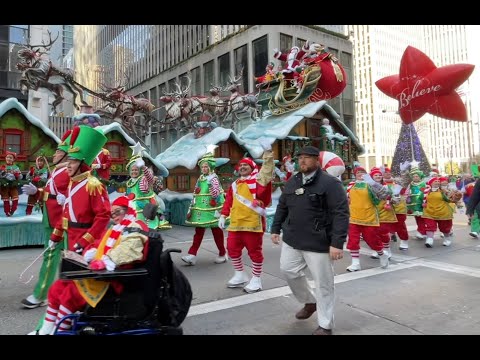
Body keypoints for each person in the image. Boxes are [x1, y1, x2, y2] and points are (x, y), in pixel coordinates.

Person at [29, 194, 149, 335]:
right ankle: (46, 329)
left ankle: (59, 331)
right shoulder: (114, 229)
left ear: (128, 210)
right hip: (102, 275)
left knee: (71, 293)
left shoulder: (134, 227)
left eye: (118, 212)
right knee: (58, 287)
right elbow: (99, 244)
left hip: (115, 279)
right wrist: (90, 253)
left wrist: (106, 261)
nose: (114, 216)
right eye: (112, 213)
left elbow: (129, 250)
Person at [270, 145, 349, 335]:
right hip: (292, 238)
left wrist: (337, 243)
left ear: (316, 161)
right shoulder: (293, 181)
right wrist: (275, 228)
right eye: (300, 158)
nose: (302, 161)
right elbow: (282, 206)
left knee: (323, 283)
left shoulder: (330, 184)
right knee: (288, 271)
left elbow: (341, 214)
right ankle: (310, 301)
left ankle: (325, 325)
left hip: (318, 242)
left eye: (307, 158)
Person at [20, 130, 72, 310]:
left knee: (54, 257)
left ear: (66, 155)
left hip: (60, 222)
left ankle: (42, 294)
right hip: (50, 219)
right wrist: (37, 192)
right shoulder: (57, 171)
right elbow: (50, 195)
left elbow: (73, 194)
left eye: (58, 152)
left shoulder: (67, 172)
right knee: (63, 258)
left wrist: (66, 198)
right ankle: (60, 293)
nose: (54, 154)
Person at [218, 138, 274, 293]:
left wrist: (268, 152)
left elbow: (268, 169)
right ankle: (240, 274)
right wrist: (223, 215)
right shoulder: (235, 184)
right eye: (241, 165)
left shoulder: (258, 180)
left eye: (246, 165)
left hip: (252, 224)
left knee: (254, 252)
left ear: (252, 168)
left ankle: (256, 279)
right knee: (232, 249)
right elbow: (229, 201)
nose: (242, 167)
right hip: (235, 223)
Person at [49, 125, 111, 253]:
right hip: (71, 238)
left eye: (73, 162)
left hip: (88, 243)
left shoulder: (93, 185)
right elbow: (65, 215)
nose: (68, 166)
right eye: (68, 161)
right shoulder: (72, 183)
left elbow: (103, 216)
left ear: (82, 164)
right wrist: (56, 235)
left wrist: (86, 241)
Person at [182, 152, 227, 265]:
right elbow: (196, 193)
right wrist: (192, 207)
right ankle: (192, 254)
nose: (204, 168)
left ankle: (222, 253)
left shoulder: (214, 179)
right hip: (201, 211)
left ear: (211, 167)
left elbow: (216, 195)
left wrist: (211, 184)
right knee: (198, 232)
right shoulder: (200, 178)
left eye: (206, 166)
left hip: (212, 210)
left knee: (217, 232)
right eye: (202, 166)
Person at [126, 152, 171, 230]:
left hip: (147, 202)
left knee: (157, 211)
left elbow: (149, 177)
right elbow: (129, 193)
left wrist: (143, 167)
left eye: (136, 170)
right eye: (132, 170)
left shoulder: (143, 179)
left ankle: (158, 222)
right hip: (134, 204)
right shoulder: (130, 182)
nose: (134, 172)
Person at [1, 151, 22, 216]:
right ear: (5, 158)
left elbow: (20, 176)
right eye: (7, 157)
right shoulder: (2, 167)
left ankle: (12, 210)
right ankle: (7, 212)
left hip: (13, 186)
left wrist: (17, 175)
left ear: (13, 159)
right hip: (4, 186)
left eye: (10, 158)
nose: (9, 159)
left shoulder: (16, 167)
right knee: (6, 200)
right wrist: (3, 174)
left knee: (15, 199)